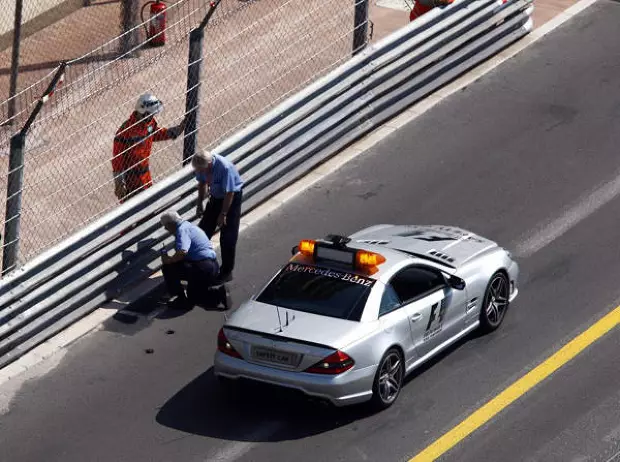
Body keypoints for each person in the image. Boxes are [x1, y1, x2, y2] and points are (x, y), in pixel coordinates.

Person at [111, 92, 187, 203]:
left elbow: (156, 133)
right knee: (135, 210)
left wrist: (175, 131)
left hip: (145, 177)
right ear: (142, 112)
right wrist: (119, 182)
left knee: (149, 205)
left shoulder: (149, 124)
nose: (152, 116)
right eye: (150, 114)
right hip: (131, 180)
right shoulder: (124, 132)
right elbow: (117, 160)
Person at [159, 210, 230, 310]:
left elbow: (182, 252)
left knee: (168, 268)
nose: (165, 228)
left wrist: (169, 260)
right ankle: (217, 293)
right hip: (212, 266)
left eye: (165, 226)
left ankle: (181, 299)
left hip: (202, 268)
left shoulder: (182, 231)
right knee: (194, 295)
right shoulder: (189, 226)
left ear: (170, 224)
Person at [191, 149, 244, 283]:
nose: (201, 173)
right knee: (202, 233)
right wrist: (199, 204)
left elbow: (230, 193)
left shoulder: (225, 168)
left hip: (230, 200)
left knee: (227, 238)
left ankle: (227, 271)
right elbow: (202, 184)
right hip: (215, 197)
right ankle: (197, 264)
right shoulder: (200, 165)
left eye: (203, 170)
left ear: (209, 164)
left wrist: (223, 214)